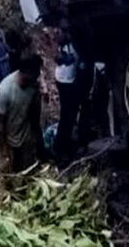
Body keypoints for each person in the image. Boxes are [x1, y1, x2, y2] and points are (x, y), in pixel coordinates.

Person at [0, 54, 45, 174]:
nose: (38, 75)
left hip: (24, 136)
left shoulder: (34, 87)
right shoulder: (5, 90)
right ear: (28, 72)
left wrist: (38, 143)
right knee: (7, 175)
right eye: (36, 72)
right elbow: (0, 124)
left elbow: (34, 117)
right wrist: (4, 151)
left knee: (24, 173)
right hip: (5, 138)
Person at [53, 31, 80, 164]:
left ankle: (64, 145)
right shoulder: (65, 36)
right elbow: (58, 56)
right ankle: (61, 147)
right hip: (65, 80)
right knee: (67, 114)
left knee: (70, 113)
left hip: (68, 78)